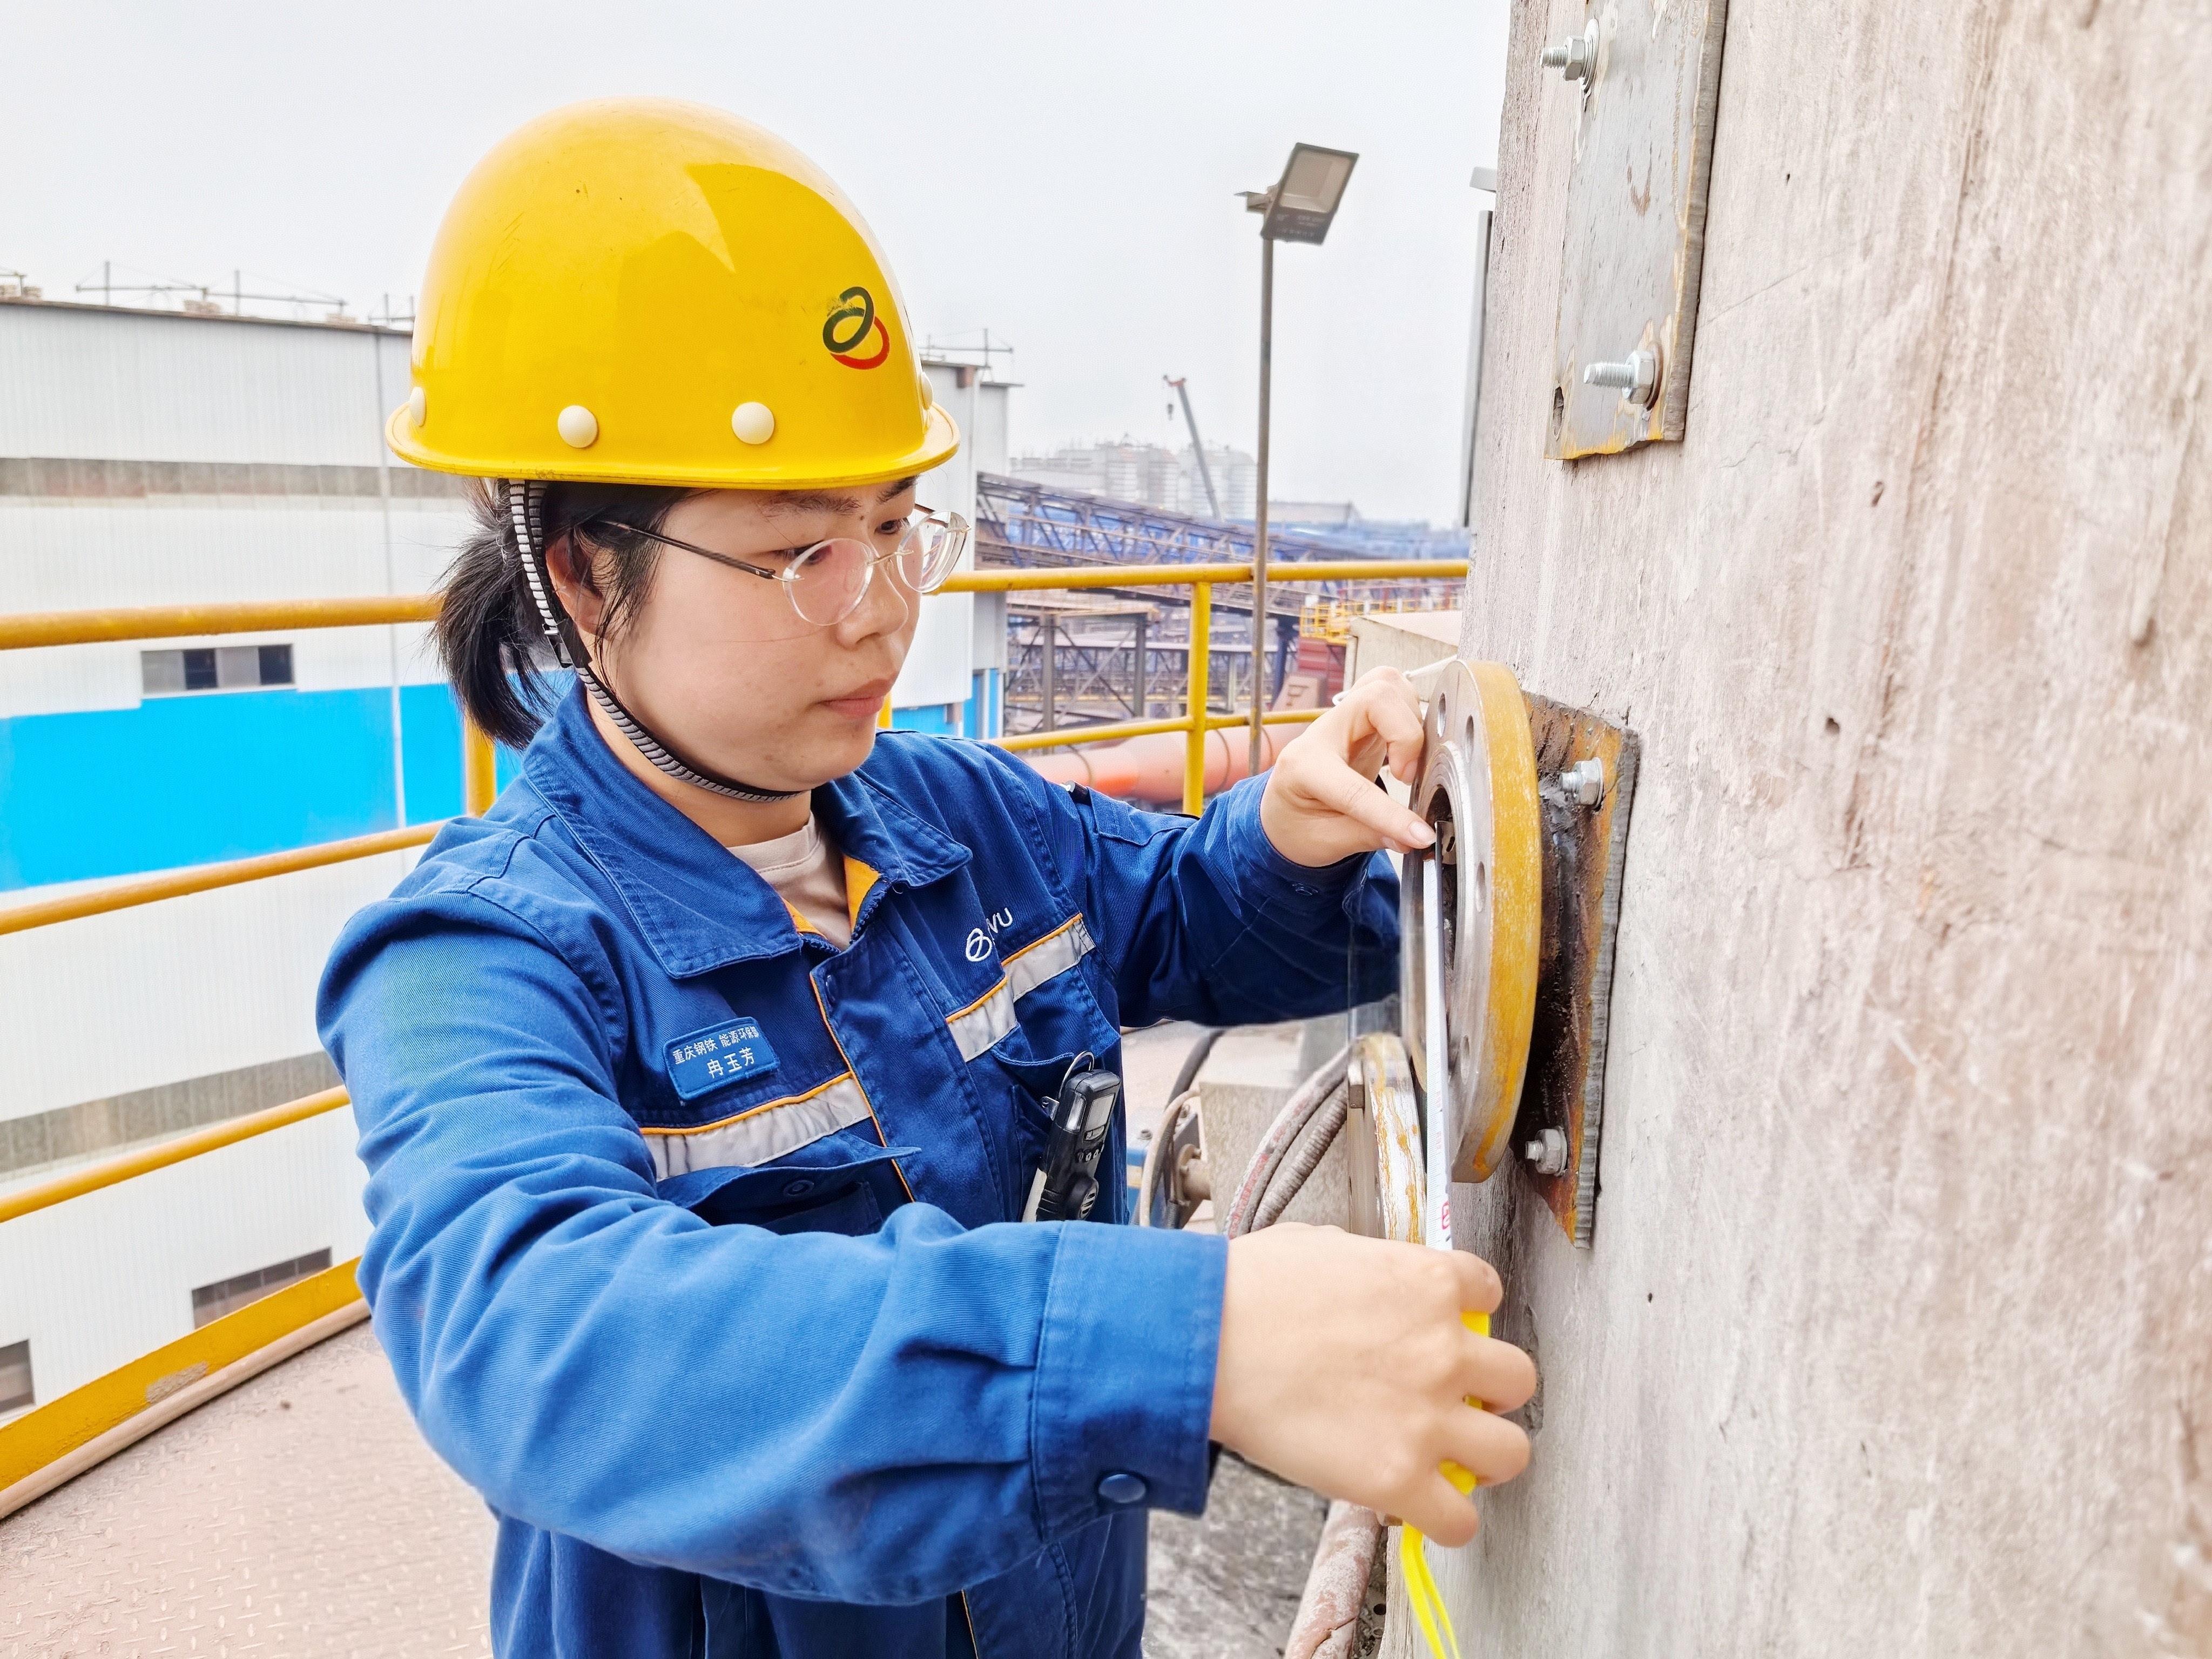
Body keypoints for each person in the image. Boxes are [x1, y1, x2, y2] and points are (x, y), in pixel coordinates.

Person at [318, 97, 1534, 1659]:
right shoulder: (482, 956)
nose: (881, 610)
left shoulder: (956, 816)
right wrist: (1190, 1345)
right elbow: (543, 1336)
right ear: (584, 574)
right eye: (801, 553)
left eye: (897, 527)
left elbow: (1172, 911)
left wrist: (1295, 839)